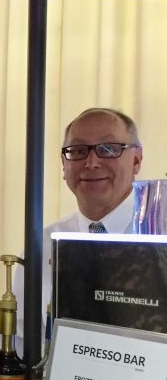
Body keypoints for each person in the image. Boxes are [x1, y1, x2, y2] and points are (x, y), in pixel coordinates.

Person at [38, 107, 142, 315]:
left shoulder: (159, 239)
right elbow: (20, 340)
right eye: (77, 151)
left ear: (136, 161)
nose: (92, 163)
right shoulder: (41, 247)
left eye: (109, 149)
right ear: (63, 165)